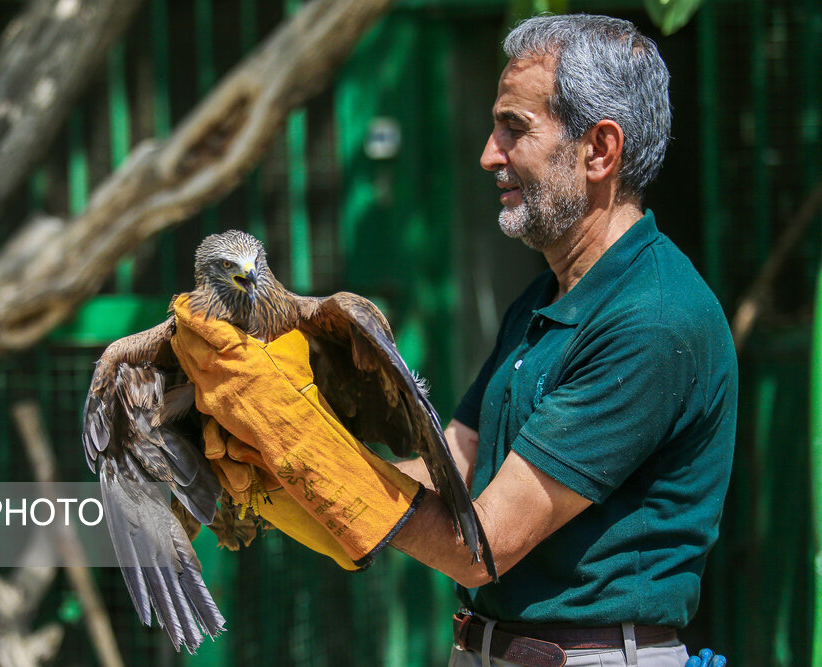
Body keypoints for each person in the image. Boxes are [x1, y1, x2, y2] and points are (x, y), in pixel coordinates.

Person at [172, 13, 737, 667]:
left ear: (599, 151)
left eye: (514, 128)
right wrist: (271, 480)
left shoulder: (651, 318)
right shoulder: (546, 297)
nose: (489, 154)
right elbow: (457, 469)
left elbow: (482, 544)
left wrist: (303, 440)